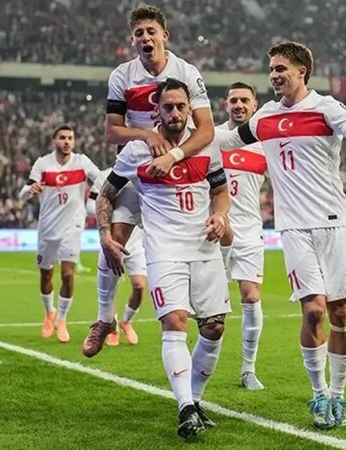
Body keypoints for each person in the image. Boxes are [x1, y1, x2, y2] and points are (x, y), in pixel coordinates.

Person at [214, 42, 346, 429]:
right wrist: (183, 135)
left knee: (340, 313)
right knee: (313, 310)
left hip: (334, 223)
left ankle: (339, 395)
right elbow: (224, 141)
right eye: (271, 69)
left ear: (301, 71)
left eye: (280, 68)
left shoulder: (326, 108)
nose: (274, 75)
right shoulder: (265, 117)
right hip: (293, 228)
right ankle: (319, 394)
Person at [97, 78, 231, 438]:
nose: (175, 112)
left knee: (214, 327)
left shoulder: (206, 145)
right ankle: (185, 408)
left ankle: (195, 401)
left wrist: (220, 216)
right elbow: (106, 195)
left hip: (204, 249)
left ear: (190, 109)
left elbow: (220, 190)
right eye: (168, 106)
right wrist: (105, 235)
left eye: (181, 106)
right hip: (164, 252)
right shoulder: (137, 150)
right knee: (175, 322)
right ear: (156, 109)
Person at [102, 4, 215, 327]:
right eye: (138, 33)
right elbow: (112, 132)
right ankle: (104, 319)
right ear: (132, 40)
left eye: (151, 31)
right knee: (114, 240)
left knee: (203, 236)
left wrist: (173, 155)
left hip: (180, 170)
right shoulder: (122, 76)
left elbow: (206, 130)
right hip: (138, 168)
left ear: (165, 35)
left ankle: (207, 309)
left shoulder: (187, 72)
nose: (145, 37)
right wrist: (147, 135)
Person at [19, 126, 100, 343]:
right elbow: (23, 193)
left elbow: (102, 179)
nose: (67, 142)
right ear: (54, 140)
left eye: (70, 138)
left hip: (72, 226)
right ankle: (49, 313)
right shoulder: (43, 164)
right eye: (62, 138)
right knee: (46, 274)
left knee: (67, 274)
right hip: (48, 227)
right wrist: (30, 190)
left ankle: (62, 320)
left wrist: (92, 200)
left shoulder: (82, 162)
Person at [217, 82, 268, 390]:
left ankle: (248, 369)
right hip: (214, 232)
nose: (238, 105)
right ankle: (201, 366)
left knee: (250, 297)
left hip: (249, 232)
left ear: (254, 105)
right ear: (226, 105)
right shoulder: (213, 138)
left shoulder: (264, 145)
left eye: (244, 100)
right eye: (233, 100)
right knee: (211, 308)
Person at [82, 168, 146, 358]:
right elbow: (90, 207)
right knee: (113, 284)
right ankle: (111, 325)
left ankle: (126, 321)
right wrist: (113, 205)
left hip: (137, 240)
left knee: (139, 286)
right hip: (115, 238)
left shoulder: (146, 170)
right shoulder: (104, 176)